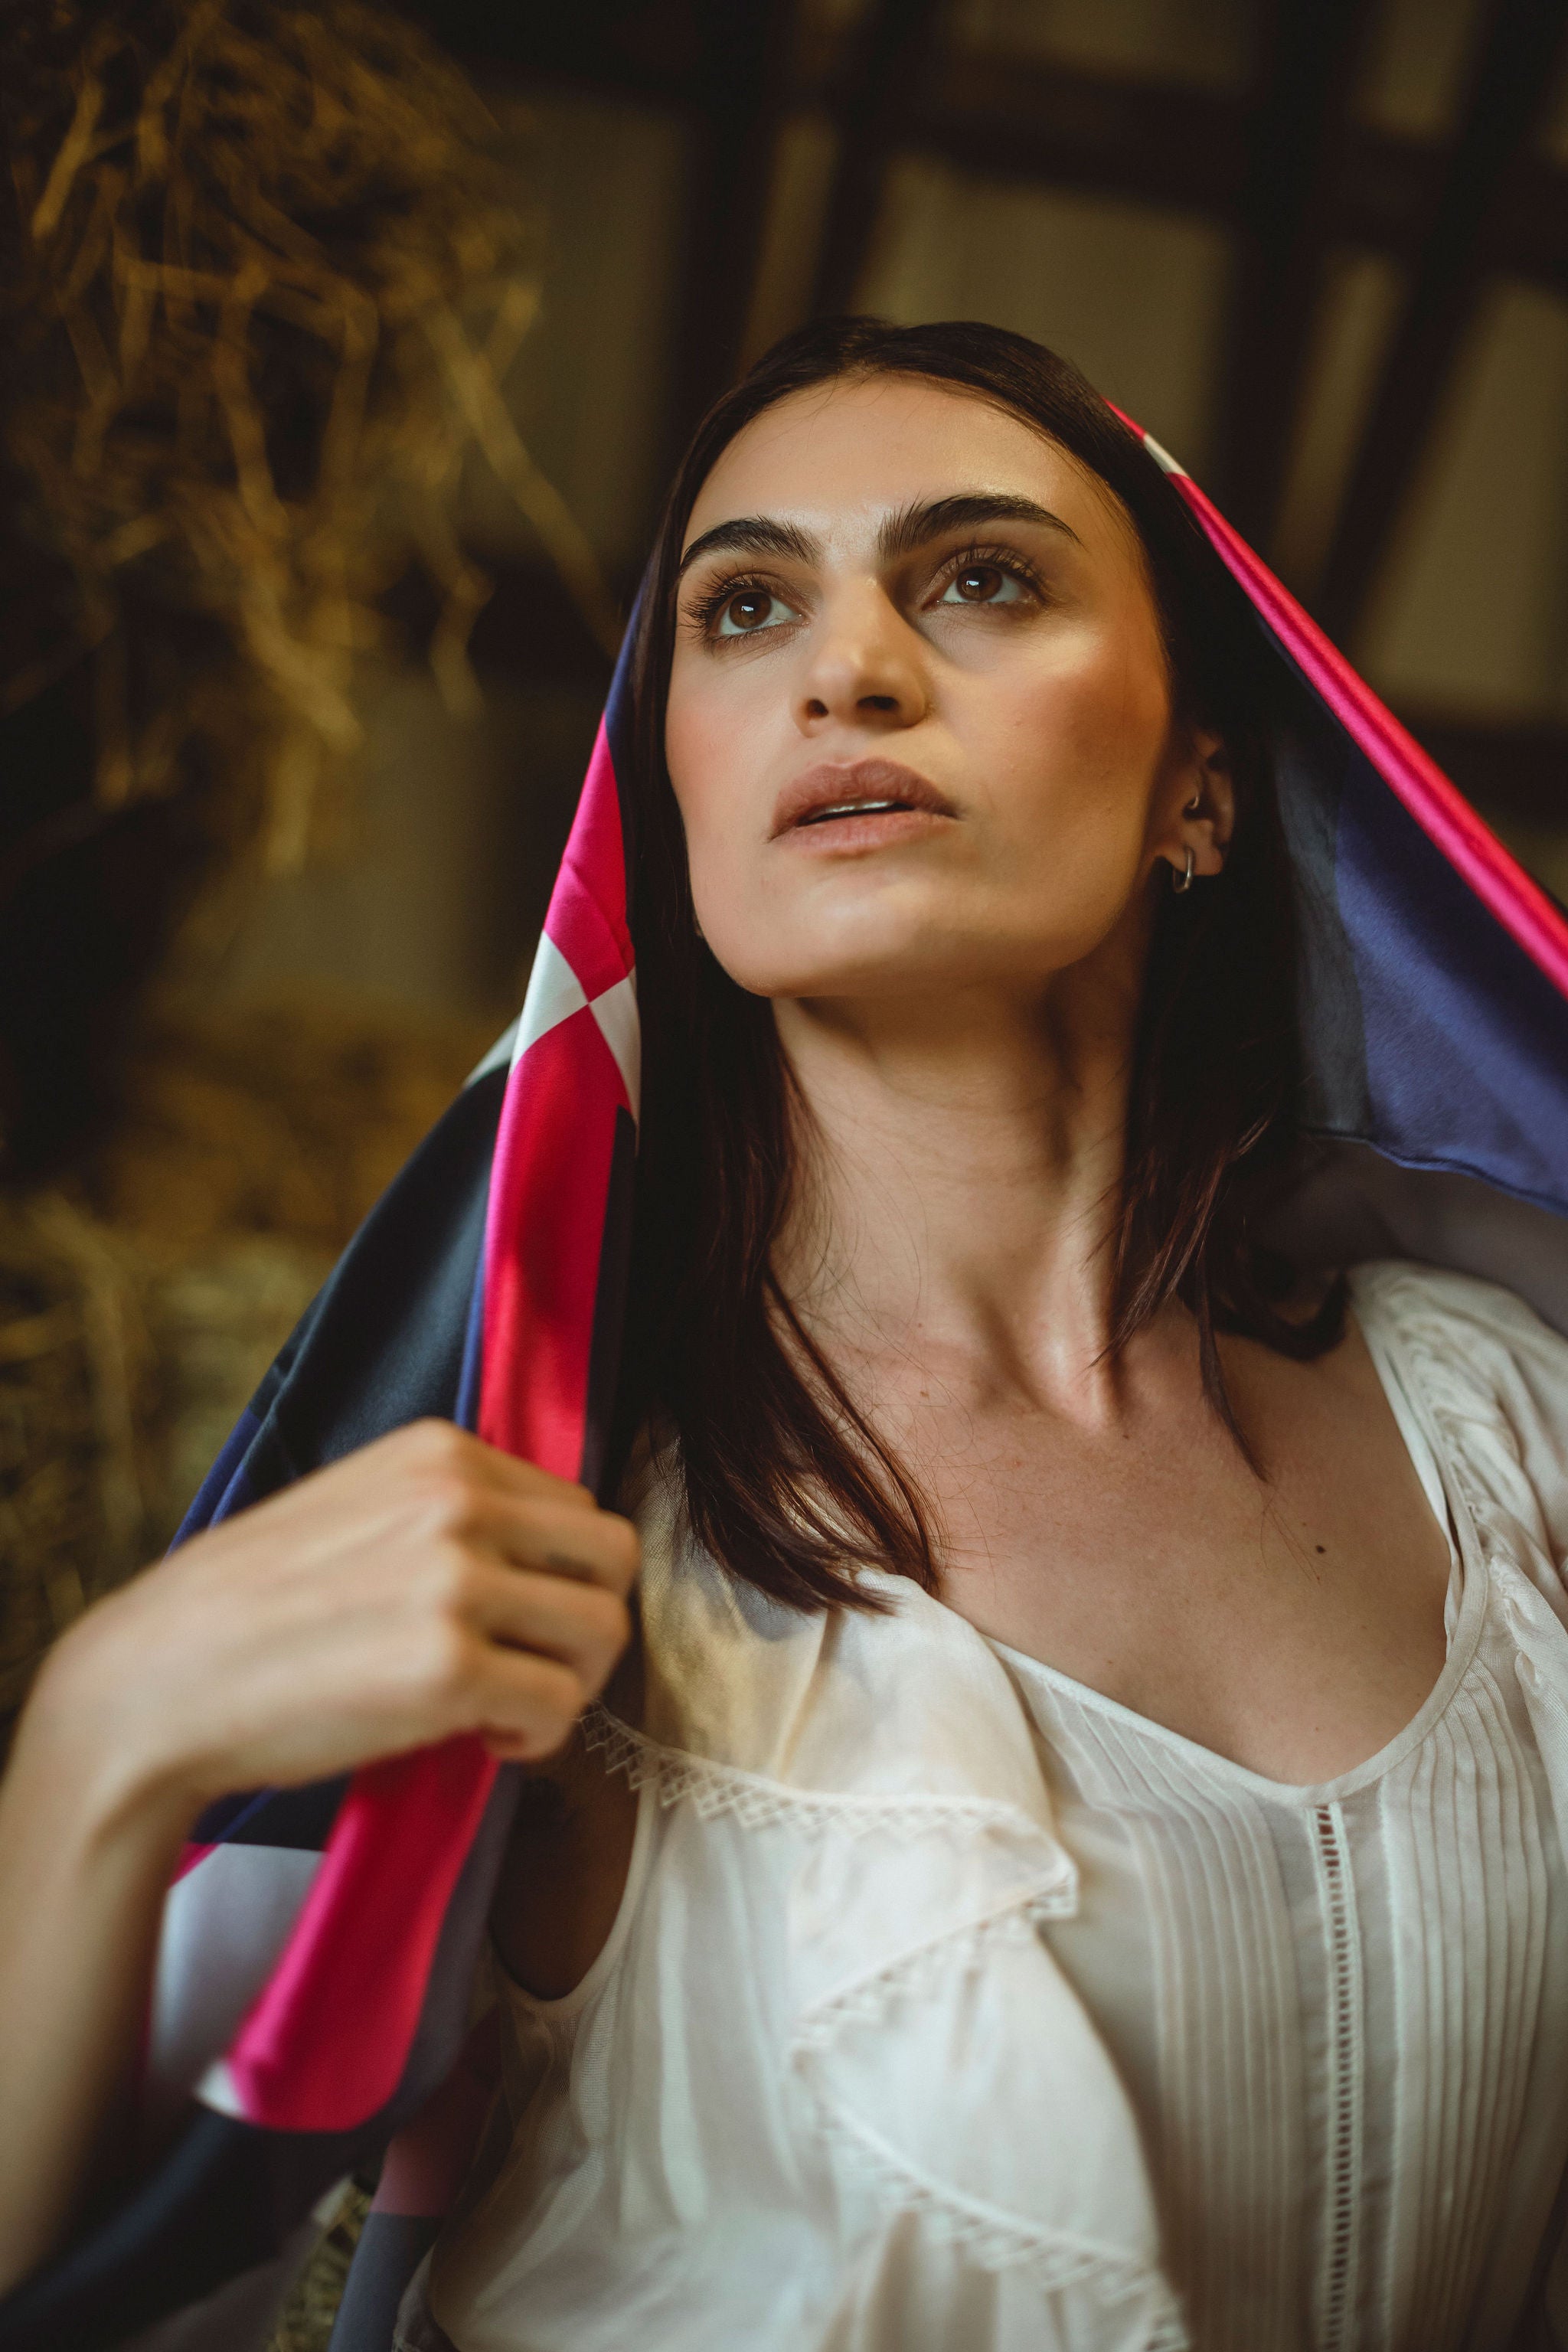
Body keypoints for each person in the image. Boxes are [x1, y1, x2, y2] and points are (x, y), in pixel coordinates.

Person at [5, 318, 1568, 2352]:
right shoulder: (553, 1511)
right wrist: (91, 1753)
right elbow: (91, 2281)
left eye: (979, 577)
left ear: (1201, 788)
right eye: (745, 609)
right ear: (676, 801)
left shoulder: (1508, 1423)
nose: (849, 670)